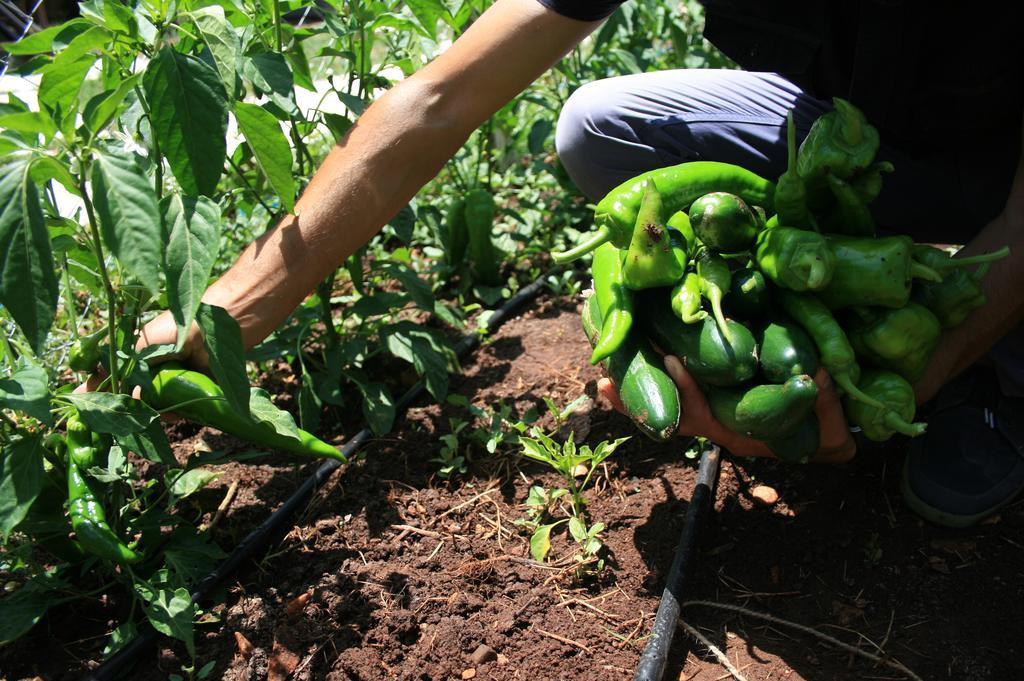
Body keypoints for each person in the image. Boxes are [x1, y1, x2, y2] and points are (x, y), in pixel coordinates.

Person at [134, 0, 1024, 527]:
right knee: (599, 129)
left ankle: (999, 380)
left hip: (1004, 159)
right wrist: (231, 313)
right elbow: (442, 98)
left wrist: (909, 378)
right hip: (863, 129)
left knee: (949, 335)